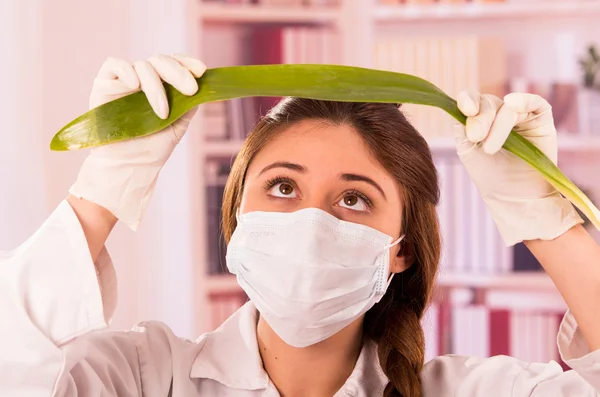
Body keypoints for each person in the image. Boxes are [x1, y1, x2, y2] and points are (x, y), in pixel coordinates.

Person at [1, 54, 599, 397]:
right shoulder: (139, 376)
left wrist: (544, 219)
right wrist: (105, 185)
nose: (311, 220)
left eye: (354, 200)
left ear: (402, 250)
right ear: (237, 216)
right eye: (283, 187)